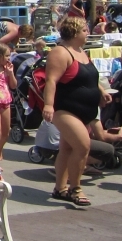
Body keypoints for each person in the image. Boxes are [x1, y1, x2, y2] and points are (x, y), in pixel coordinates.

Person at [43, 16, 110, 207]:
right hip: (65, 108)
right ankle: (76, 188)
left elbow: (90, 78)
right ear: (73, 32)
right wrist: (48, 105)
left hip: (85, 110)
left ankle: (60, 188)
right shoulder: (60, 52)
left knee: (67, 148)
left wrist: (102, 92)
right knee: (83, 146)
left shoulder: (81, 51)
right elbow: (51, 81)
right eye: (84, 30)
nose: (88, 33)